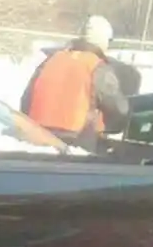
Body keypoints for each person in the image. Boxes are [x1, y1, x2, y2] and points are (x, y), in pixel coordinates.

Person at [21, 16, 131, 151]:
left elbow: (26, 100)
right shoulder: (97, 67)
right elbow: (119, 109)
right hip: (76, 142)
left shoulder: (51, 60)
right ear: (103, 41)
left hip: (36, 138)